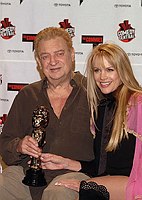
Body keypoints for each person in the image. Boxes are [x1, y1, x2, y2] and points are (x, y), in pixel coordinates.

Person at [0, 27, 95, 200]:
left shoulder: (94, 93)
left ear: (72, 54)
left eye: (59, 53)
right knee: (2, 185)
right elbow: (5, 145)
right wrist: (19, 146)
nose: (53, 61)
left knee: (57, 193)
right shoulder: (27, 95)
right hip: (27, 175)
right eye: (45, 56)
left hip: (74, 174)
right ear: (38, 61)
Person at [55, 43, 142, 200]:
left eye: (110, 70)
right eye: (97, 70)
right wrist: (66, 163)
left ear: (122, 70)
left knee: (87, 190)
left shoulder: (137, 102)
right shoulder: (102, 108)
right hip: (112, 180)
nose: (102, 77)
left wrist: (89, 185)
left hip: (136, 183)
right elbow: (101, 166)